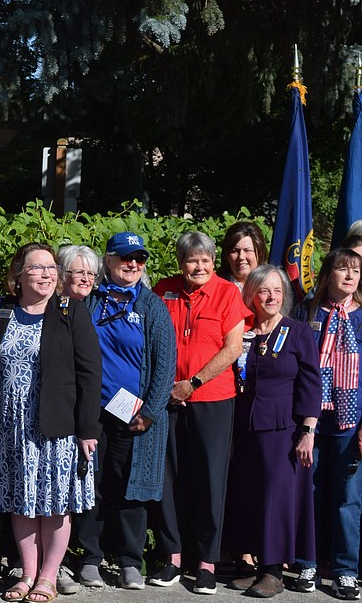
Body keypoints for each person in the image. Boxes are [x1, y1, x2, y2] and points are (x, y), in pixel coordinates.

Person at [0, 243, 100, 603]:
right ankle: (27, 573)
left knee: (54, 505)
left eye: (51, 268)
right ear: (18, 275)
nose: (48, 274)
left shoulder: (70, 311)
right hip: (10, 427)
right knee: (21, 501)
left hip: (56, 425)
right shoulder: (0, 311)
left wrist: (87, 429)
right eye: (38, 268)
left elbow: (90, 374)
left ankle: (48, 576)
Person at [71, 232, 176, 591]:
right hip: (92, 411)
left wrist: (149, 412)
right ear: (109, 261)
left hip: (134, 416)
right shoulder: (90, 302)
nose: (133, 264)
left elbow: (165, 366)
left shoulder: (152, 306)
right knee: (91, 483)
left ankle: (131, 561)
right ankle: (90, 559)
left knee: (132, 489)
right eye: (125, 257)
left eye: (139, 259)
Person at [149, 231, 250, 594]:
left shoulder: (227, 292)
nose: (200, 266)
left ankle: (206, 562)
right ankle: (172, 557)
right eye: (193, 260)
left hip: (212, 399)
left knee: (210, 479)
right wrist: (166, 389)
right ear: (181, 263)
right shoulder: (163, 290)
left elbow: (233, 348)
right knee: (169, 477)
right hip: (168, 400)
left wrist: (192, 382)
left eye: (206, 260)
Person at [221, 265, 319, 598]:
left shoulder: (298, 332)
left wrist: (308, 429)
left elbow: (310, 384)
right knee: (251, 494)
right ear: (251, 295)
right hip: (247, 426)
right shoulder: (245, 333)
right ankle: (257, 565)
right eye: (264, 290)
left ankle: (275, 571)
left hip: (284, 429)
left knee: (277, 499)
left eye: (277, 290)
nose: (271, 297)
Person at [293, 248, 362, 600]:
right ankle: (306, 562)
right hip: (311, 419)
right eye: (342, 269)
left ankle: (344, 570)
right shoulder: (307, 310)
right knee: (310, 491)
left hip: (350, 422)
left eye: (356, 270)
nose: (349, 276)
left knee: (348, 499)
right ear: (327, 273)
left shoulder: (361, 315)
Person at [217, 222, 268, 290]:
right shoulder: (216, 287)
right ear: (227, 256)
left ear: (260, 254)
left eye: (247, 250)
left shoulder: (272, 287)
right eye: (235, 251)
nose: (241, 257)